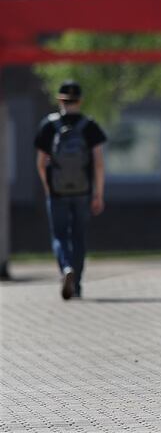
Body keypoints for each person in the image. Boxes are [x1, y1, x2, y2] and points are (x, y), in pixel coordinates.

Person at [34, 80, 106, 300]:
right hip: (83, 191)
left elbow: (40, 162)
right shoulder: (89, 125)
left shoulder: (49, 125)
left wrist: (48, 187)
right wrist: (98, 194)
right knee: (79, 237)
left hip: (57, 192)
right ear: (80, 100)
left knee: (59, 236)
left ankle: (66, 269)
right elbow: (99, 163)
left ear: (60, 100)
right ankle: (78, 285)